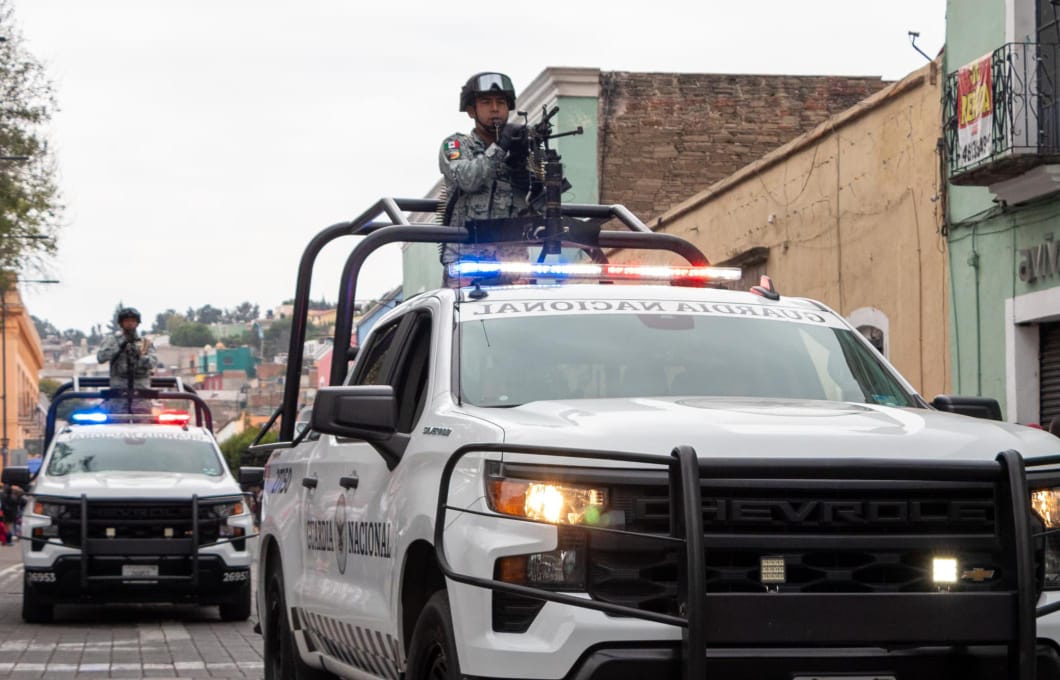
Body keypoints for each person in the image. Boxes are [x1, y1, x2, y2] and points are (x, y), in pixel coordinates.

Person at [439, 72, 532, 278]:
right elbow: (467, 178)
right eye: (486, 102)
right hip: (467, 262)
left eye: (501, 102)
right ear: (472, 111)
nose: (495, 108)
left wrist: (523, 162)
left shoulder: (521, 148)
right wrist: (500, 147)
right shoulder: (456, 145)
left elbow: (542, 201)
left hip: (513, 264)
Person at [96, 307, 158, 412]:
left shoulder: (145, 342)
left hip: (141, 392)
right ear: (121, 323)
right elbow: (101, 357)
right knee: (117, 424)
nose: (130, 323)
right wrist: (120, 347)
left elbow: (152, 363)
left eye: (133, 321)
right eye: (127, 321)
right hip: (118, 393)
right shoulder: (112, 340)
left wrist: (139, 355)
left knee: (143, 424)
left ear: (137, 323)